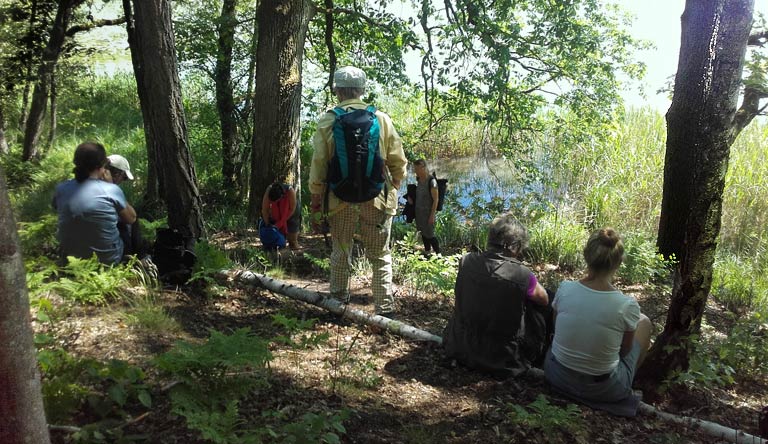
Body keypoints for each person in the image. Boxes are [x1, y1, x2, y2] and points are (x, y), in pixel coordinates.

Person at [308, 66, 407, 317]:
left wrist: (316, 199)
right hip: (378, 199)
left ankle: (338, 304)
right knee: (380, 254)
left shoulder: (329, 119)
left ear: (337, 90)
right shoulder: (381, 118)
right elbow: (398, 160)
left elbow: (319, 162)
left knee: (341, 251)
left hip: (339, 199)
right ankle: (385, 310)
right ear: (362, 90)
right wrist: (394, 185)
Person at [544, 228, 653, 417]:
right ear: (619, 263)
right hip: (605, 389)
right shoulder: (626, 305)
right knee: (645, 323)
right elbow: (625, 352)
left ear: (587, 256)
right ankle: (628, 384)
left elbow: (556, 327)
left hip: (556, 375)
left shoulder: (565, 289)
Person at [442, 213, 552, 378]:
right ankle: (543, 355)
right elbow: (544, 300)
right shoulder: (522, 274)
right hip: (503, 358)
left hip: (459, 345)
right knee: (545, 298)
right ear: (513, 246)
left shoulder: (467, 261)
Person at [53, 142, 136, 265]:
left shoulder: (61, 188)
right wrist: (110, 185)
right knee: (127, 223)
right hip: (107, 260)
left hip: (69, 257)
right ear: (101, 166)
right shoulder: (111, 190)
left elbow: (56, 207)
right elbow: (132, 218)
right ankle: (133, 259)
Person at [410, 159, 440, 254]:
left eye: (417, 169)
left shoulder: (432, 181)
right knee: (423, 233)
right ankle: (427, 252)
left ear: (423, 168)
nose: (416, 171)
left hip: (428, 213)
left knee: (430, 235)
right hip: (419, 213)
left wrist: (432, 215)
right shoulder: (418, 180)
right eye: (415, 169)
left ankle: (439, 255)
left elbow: (436, 199)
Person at [261, 182, 301, 250]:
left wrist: (281, 222)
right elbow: (265, 210)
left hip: (292, 211)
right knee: (276, 240)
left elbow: (292, 209)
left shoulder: (290, 191)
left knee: (292, 241)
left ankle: (297, 254)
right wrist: (268, 225)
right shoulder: (269, 191)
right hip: (276, 214)